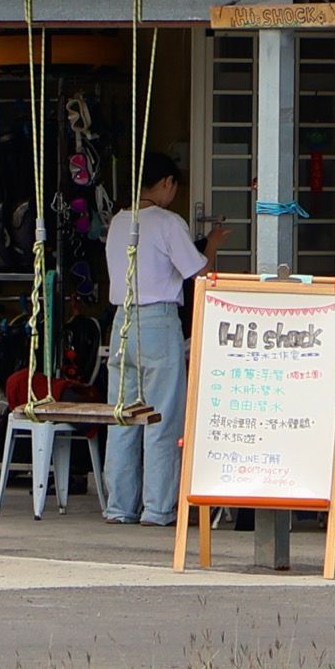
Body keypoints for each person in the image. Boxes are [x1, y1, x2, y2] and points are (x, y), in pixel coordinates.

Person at [101, 151, 223, 525]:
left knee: (123, 417)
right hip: (157, 321)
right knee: (161, 416)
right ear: (167, 183)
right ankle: (157, 508)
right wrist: (213, 242)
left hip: (121, 320)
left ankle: (119, 506)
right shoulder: (169, 222)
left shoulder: (118, 222)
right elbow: (198, 273)